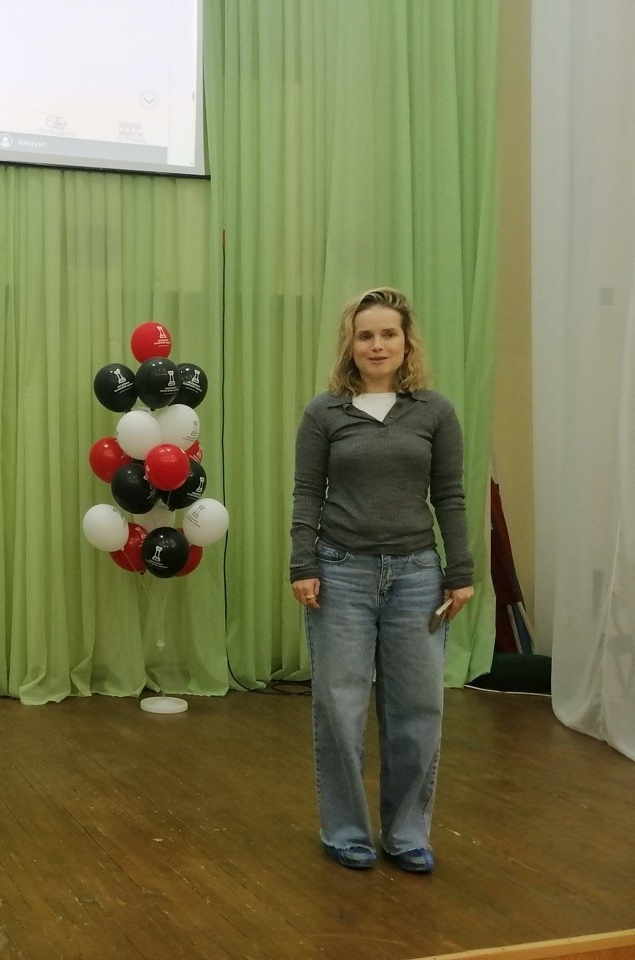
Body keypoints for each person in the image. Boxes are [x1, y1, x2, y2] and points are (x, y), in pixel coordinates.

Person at [289, 286, 475, 875]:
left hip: (417, 577)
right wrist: (303, 563)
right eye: (365, 335)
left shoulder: (435, 412)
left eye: (388, 334)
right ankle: (346, 831)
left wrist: (460, 572)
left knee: (418, 710)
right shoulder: (324, 412)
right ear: (350, 344)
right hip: (340, 574)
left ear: (406, 342)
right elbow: (306, 494)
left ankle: (406, 834)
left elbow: (449, 496)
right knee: (339, 709)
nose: (377, 345)